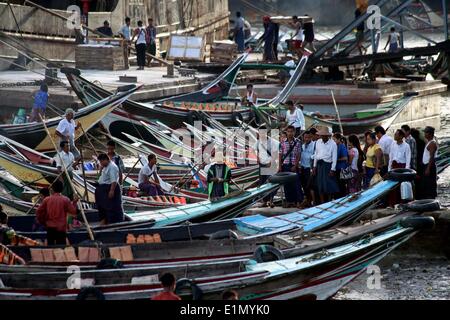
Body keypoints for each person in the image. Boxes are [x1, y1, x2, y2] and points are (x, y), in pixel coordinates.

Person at [36, 180, 78, 245]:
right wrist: (75, 202)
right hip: (61, 228)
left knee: (50, 247)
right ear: (62, 189)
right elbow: (73, 211)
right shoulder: (65, 200)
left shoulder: (47, 200)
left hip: (50, 228)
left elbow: (38, 212)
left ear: (52, 189)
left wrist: (43, 222)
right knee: (61, 248)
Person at [95, 153, 124, 225]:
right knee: (102, 207)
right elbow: (100, 177)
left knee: (112, 207)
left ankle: (113, 223)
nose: (101, 163)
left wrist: (112, 190)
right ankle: (104, 221)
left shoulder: (112, 167)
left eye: (101, 161)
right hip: (103, 188)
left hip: (110, 188)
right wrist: (100, 169)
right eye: (100, 162)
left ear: (106, 160)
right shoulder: (105, 166)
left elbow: (113, 180)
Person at [312, 128, 338, 203]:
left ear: (327, 136)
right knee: (320, 184)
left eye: (324, 136)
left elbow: (334, 158)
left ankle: (329, 201)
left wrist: (333, 169)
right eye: (321, 136)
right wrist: (314, 166)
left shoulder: (333, 144)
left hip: (327, 165)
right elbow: (316, 154)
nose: (322, 137)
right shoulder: (318, 142)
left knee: (328, 184)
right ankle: (322, 201)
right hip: (319, 165)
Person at [279, 126, 302, 207]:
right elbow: (280, 155)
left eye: (292, 131)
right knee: (287, 184)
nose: (290, 133)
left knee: (296, 184)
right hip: (285, 165)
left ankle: (298, 202)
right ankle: (289, 201)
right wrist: (280, 166)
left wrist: (295, 165)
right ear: (286, 132)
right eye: (288, 131)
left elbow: (299, 155)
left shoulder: (298, 142)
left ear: (294, 132)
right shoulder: (282, 142)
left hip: (293, 165)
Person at [254, 129, 278, 207]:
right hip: (262, 164)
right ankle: (265, 201)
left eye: (263, 132)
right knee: (262, 182)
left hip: (270, 165)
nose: (262, 134)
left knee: (270, 182)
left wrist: (271, 162)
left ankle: (271, 201)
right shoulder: (258, 142)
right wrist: (257, 157)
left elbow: (275, 153)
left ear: (266, 132)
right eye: (260, 133)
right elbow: (255, 150)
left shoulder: (272, 142)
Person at [417, 126, 438, 199]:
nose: (425, 134)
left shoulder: (432, 143)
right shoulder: (428, 142)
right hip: (426, 165)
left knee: (430, 184)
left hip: (429, 165)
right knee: (426, 183)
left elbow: (431, 157)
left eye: (426, 133)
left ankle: (431, 199)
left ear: (430, 134)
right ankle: (428, 198)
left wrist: (428, 168)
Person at [299, 130, 316, 207]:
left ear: (311, 137)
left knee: (311, 186)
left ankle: (314, 202)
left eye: (308, 137)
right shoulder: (302, 146)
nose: (307, 139)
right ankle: (308, 201)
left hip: (310, 168)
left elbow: (315, 156)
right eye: (305, 137)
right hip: (303, 167)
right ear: (303, 137)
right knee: (304, 185)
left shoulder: (314, 145)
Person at [333, 133, 349, 197]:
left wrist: (336, 159)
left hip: (341, 168)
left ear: (339, 139)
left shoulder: (342, 146)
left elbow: (345, 158)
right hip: (337, 168)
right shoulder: (335, 146)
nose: (333, 141)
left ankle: (342, 197)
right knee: (337, 184)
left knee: (341, 184)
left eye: (334, 140)